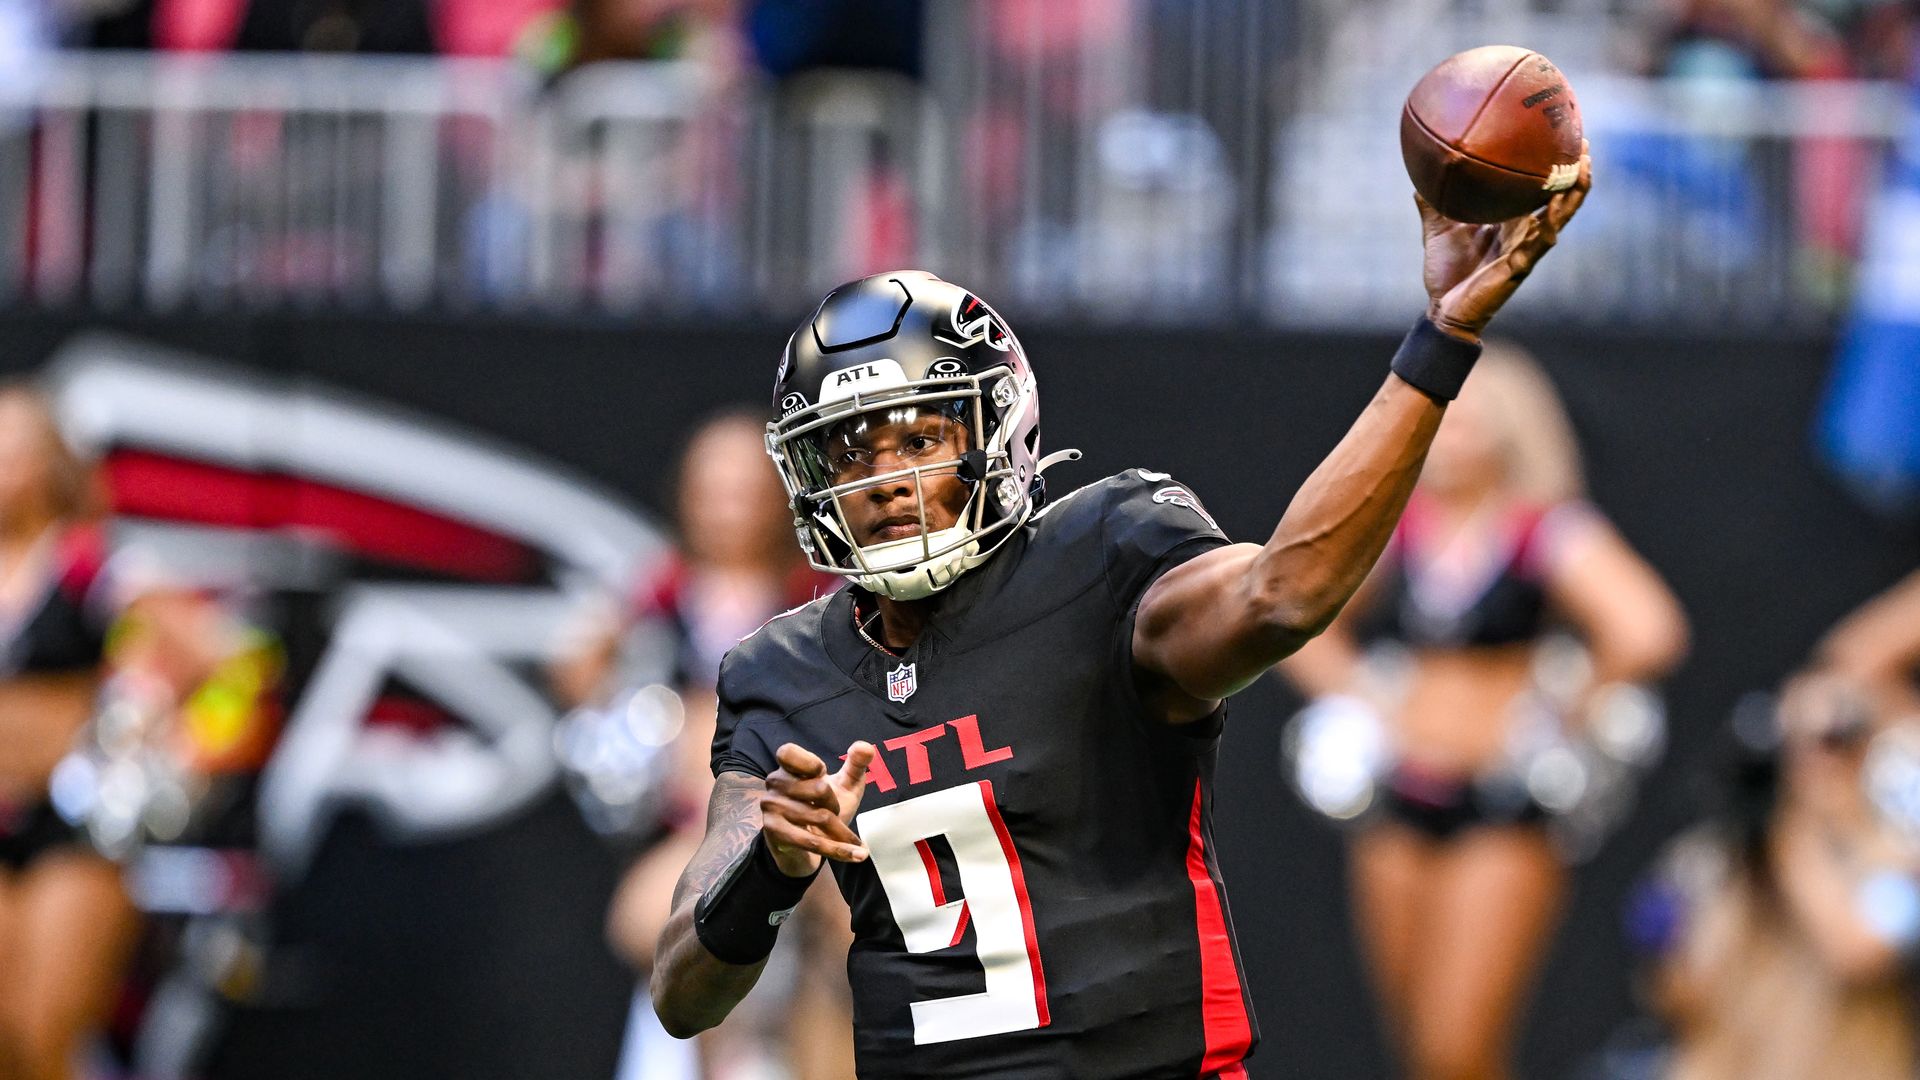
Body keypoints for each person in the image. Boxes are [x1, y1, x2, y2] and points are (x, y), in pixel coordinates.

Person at [649, 146, 1592, 1077]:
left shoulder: (1101, 555)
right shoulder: (779, 676)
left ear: (994, 430)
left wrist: (1439, 339)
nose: (890, 481)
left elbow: (1284, 592)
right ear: (810, 479)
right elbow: (682, 993)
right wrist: (769, 867)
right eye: (851, 454)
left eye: (922, 436)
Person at [1274, 346, 1689, 1080]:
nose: (1455, 437)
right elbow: (1293, 615)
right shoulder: (1395, 526)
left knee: (1458, 1047)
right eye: (1443, 421)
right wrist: (1365, 698)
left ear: (1512, 431)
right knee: (1413, 1045)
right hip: (1399, 798)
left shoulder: (1544, 530)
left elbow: (1649, 629)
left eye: (1472, 422)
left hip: (1504, 805)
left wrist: (1561, 702)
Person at [1634, 570, 1920, 1080]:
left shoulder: (1893, 846)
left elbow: (1859, 947)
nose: (1815, 759)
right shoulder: (1728, 849)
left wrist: (1791, 826)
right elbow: (1675, 988)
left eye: (1833, 743)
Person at [0, 382, 139, 1080]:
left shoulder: (88, 568)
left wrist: (149, 730)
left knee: (46, 1032)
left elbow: (219, 657)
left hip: (69, 825)